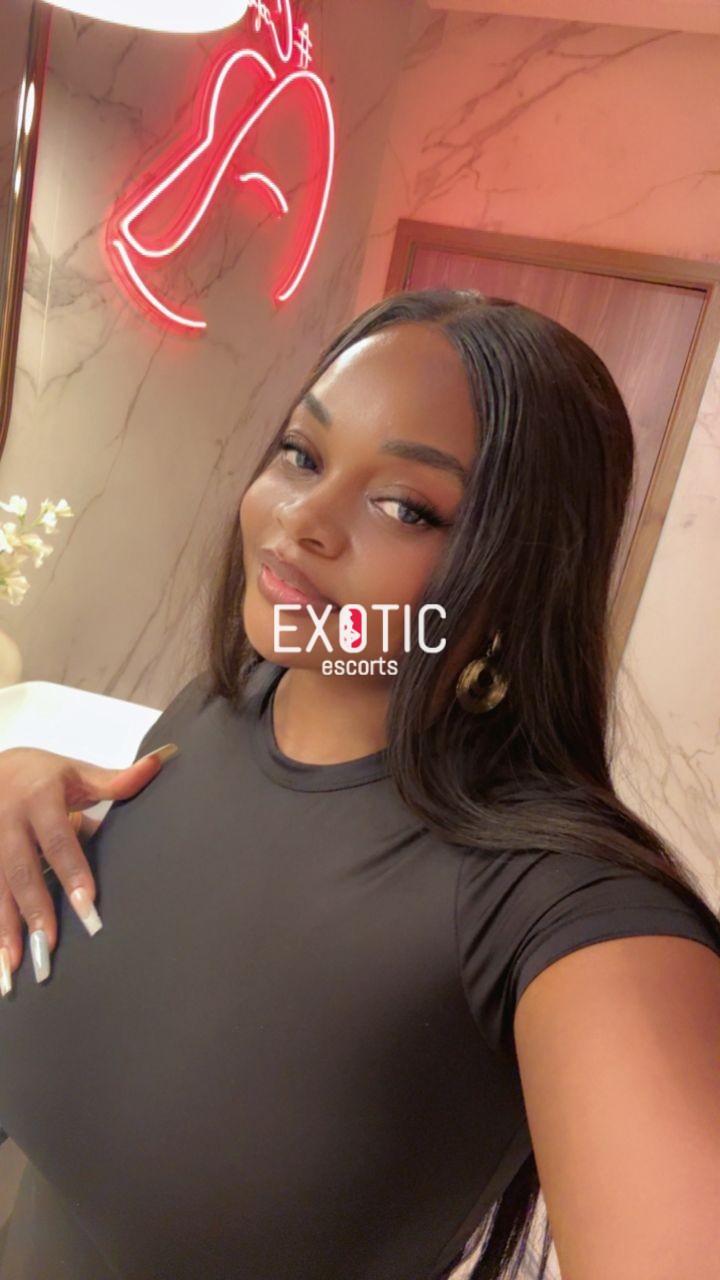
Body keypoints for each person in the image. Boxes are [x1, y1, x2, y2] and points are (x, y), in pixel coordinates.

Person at [0, 288, 718, 1280]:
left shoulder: (555, 909)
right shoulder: (222, 710)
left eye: (406, 507)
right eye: (302, 454)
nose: (302, 518)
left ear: (520, 578)